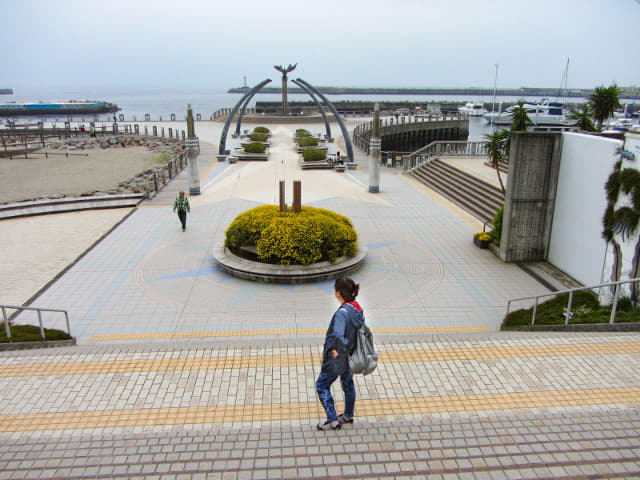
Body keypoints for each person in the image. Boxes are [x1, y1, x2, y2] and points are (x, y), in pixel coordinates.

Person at [315, 277, 365, 431]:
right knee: (347, 383)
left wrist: (335, 351)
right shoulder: (357, 308)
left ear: (338, 293)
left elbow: (338, 335)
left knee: (322, 385)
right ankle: (348, 415)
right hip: (350, 355)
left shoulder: (341, 313)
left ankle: (332, 420)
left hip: (338, 357)